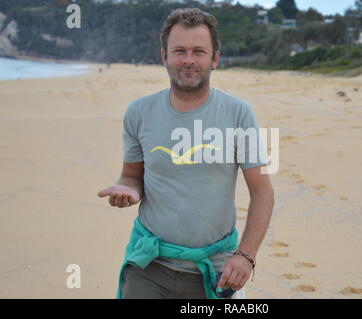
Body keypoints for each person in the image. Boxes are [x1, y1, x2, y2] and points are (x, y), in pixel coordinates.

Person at [97, 8, 274, 299]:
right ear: (164, 56)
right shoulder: (139, 113)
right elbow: (131, 176)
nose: (188, 60)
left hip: (216, 267)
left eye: (198, 51)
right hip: (150, 264)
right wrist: (127, 190)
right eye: (179, 51)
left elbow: (263, 191)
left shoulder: (239, 114)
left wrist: (245, 256)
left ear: (214, 58)